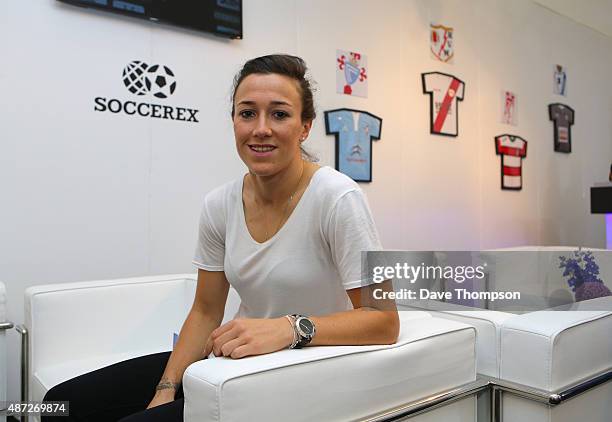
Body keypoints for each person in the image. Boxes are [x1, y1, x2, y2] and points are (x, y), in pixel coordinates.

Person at [43, 54, 398, 422]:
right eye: (247, 113)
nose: (261, 128)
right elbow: (206, 310)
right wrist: (166, 387)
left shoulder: (338, 198)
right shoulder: (220, 204)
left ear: (305, 126)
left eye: (279, 114)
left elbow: (384, 320)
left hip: (301, 371)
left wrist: (288, 327)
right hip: (234, 360)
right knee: (57, 404)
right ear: (234, 122)